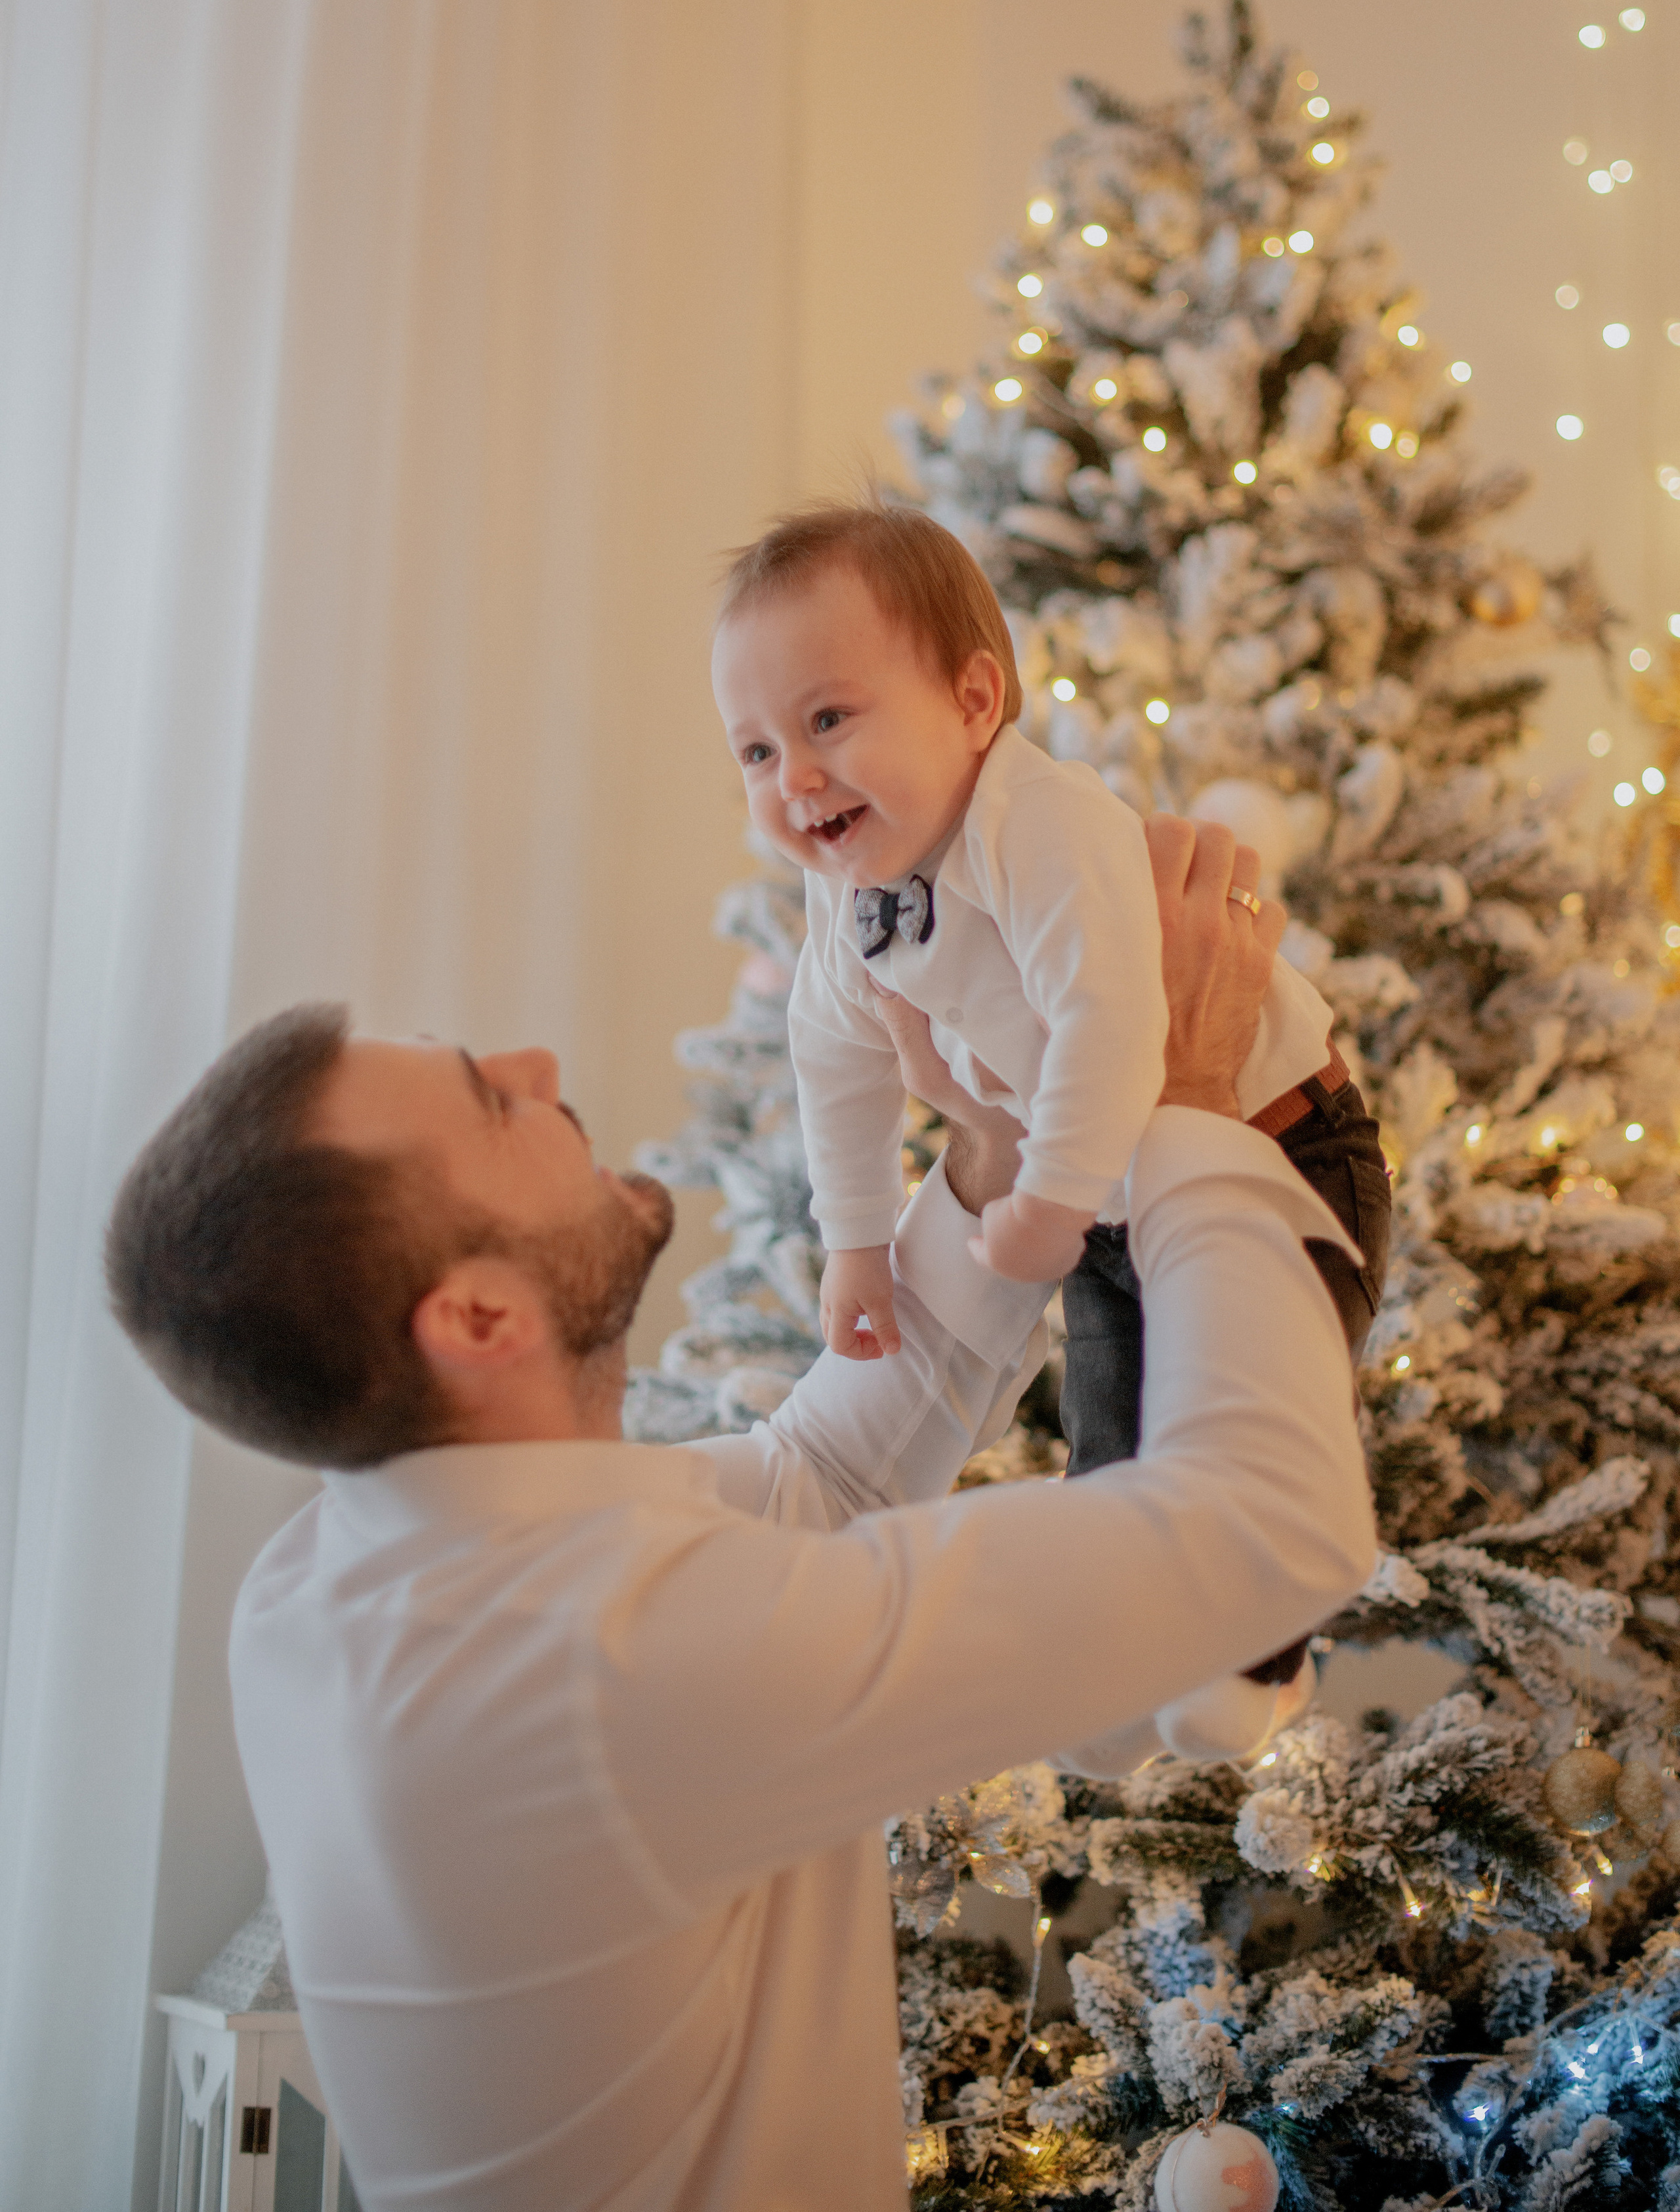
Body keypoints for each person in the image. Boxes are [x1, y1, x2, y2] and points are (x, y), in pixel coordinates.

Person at [105, 820, 1376, 2212]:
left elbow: (811, 1488)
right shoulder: (589, 1667)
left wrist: (997, 1149)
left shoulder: (354, 1571)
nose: (535, 1066)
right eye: (486, 1099)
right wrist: (1188, 1101)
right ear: (474, 1315)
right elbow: (1267, 1521)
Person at [711, 501, 1390, 1748]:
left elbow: (1118, 1021)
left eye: (826, 720)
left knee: (1238, 1406)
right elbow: (839, 1065)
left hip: (1278, 1151)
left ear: (976, 703)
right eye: (753, 751)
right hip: (1104, 1197)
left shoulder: (1043, 825)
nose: (793, 779)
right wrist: (858, 1244)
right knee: (1111, 1456)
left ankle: (1260, 1659)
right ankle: (1146, 1668)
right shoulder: (847, 894)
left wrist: (1052, 1198)